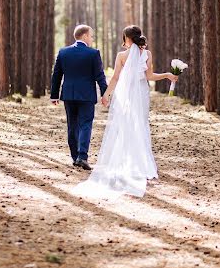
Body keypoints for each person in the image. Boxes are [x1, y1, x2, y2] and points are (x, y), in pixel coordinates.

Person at [74, 25, 178, 199]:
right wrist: (167, 74)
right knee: (141, 125)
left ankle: (124, 163)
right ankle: (140, 165)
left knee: (124, 126)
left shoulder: (122, 55)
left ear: (127, 39)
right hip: (141, 93)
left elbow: (115, 78)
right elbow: (149, 77)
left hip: (126, 94)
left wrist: (106, 95)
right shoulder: (147, 54)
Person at [50, 24, 108, 169]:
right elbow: (99, 76)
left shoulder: (63, 52)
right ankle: (82, 156)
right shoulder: (93, 53)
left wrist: (54, 95)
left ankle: (75, 156)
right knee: (85, 125)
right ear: (84, 36)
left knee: (72, 125)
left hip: (69, 95)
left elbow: (56, 75)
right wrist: (104, 93)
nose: (92, 39)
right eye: (91, 36)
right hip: (87, 95)